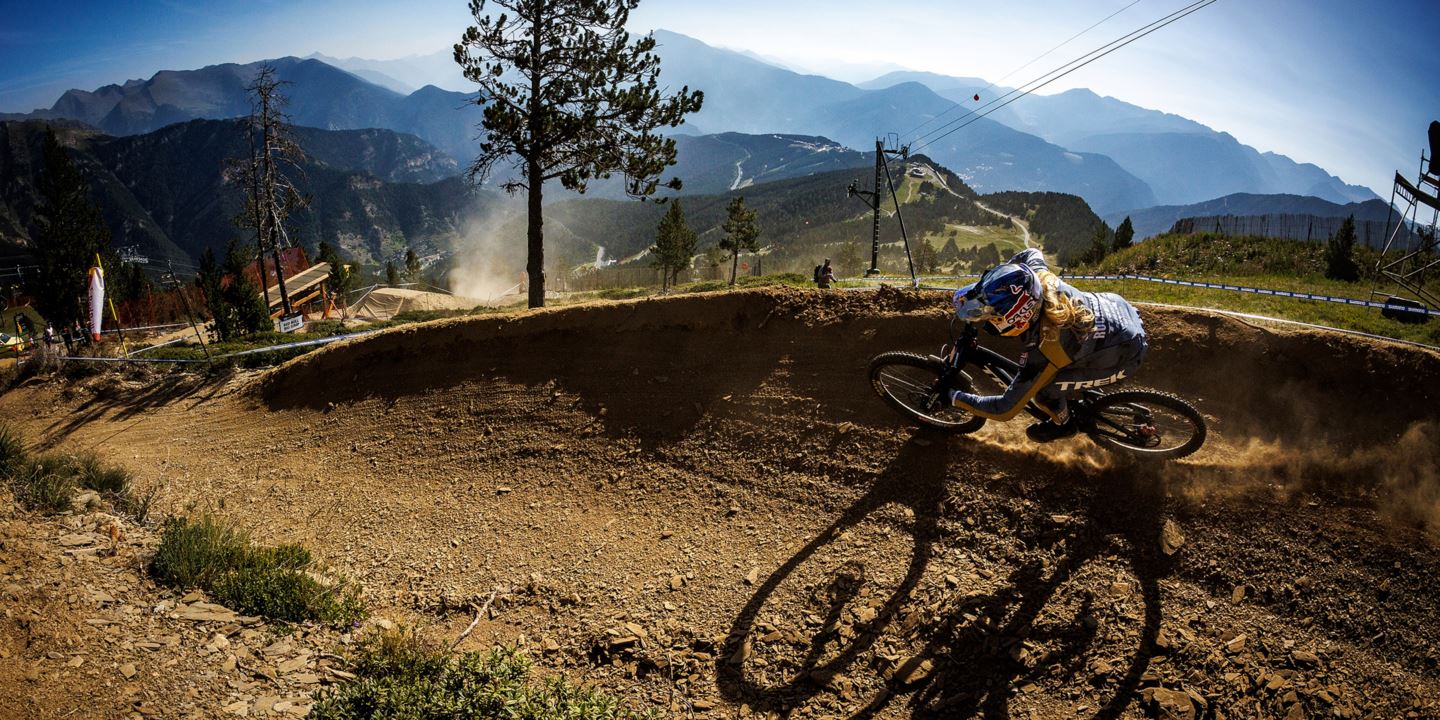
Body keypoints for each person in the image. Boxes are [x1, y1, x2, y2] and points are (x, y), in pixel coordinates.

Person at [950, 248, 1147, 442]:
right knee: (1062, 370)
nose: (989, 318)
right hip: (1118, 311)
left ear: (1017, 316)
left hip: (1126, 352)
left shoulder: (1047, 345)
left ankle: (1064, 425)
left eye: (993, 315)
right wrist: (1008, 275)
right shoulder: (1036, 279)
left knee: (1044, 393)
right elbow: (1030, 252)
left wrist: (953, 396)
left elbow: (1005, 409)